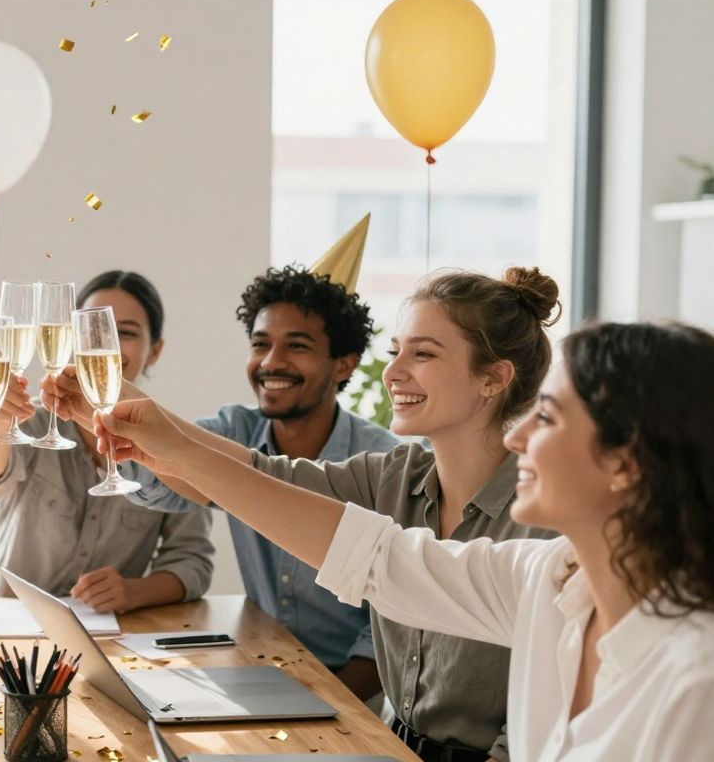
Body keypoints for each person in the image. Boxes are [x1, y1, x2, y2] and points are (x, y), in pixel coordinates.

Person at [96, 320, 714, 761]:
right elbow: (372, 558)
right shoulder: (543, 579)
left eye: (547, 418)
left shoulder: (695, 683)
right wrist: (167, 442)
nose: (520, 438)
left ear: (625, 462)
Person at [53, 267, 561, 761]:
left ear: (493, 378)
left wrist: (151, 431)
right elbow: (268, 480)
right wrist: (122, 410)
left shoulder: (546, 518)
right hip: (386, 744)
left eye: (423, 354)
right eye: (395, 351)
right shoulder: (395, 474)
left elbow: (544, 718)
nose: (394, 372)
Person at [45, 263, 398, 700]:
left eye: (297, 346)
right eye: (260, 344)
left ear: (344, 364)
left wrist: (332, 703)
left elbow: (389, 629)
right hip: (264, 670)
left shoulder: (381, 462)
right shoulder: (235, 430)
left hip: (353, 692)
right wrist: (103, 414)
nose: (272, 362)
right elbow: (163, 485)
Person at [0, 271, 214, 613]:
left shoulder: (175, 444)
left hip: (106, 638)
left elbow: (193, 562)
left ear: (155, 350)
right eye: (91, 330)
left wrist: (135, 591)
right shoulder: (33, 420)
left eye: (124, 333)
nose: (104, 344)